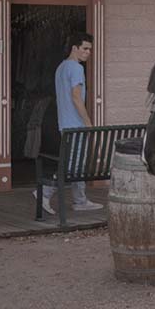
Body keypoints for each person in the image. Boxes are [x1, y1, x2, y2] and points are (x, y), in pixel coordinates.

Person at [43, 32, 99, 214]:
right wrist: (88, 122)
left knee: (75, 162)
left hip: (64, 123)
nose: (88, 52)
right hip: (75, 124)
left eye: (90, 49)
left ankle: (80, 200)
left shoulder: (61, 67)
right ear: (74, 48)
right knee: (74, 164)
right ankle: (44, 192)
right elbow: (76, 98)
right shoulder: (76, 68)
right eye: (85, 48)